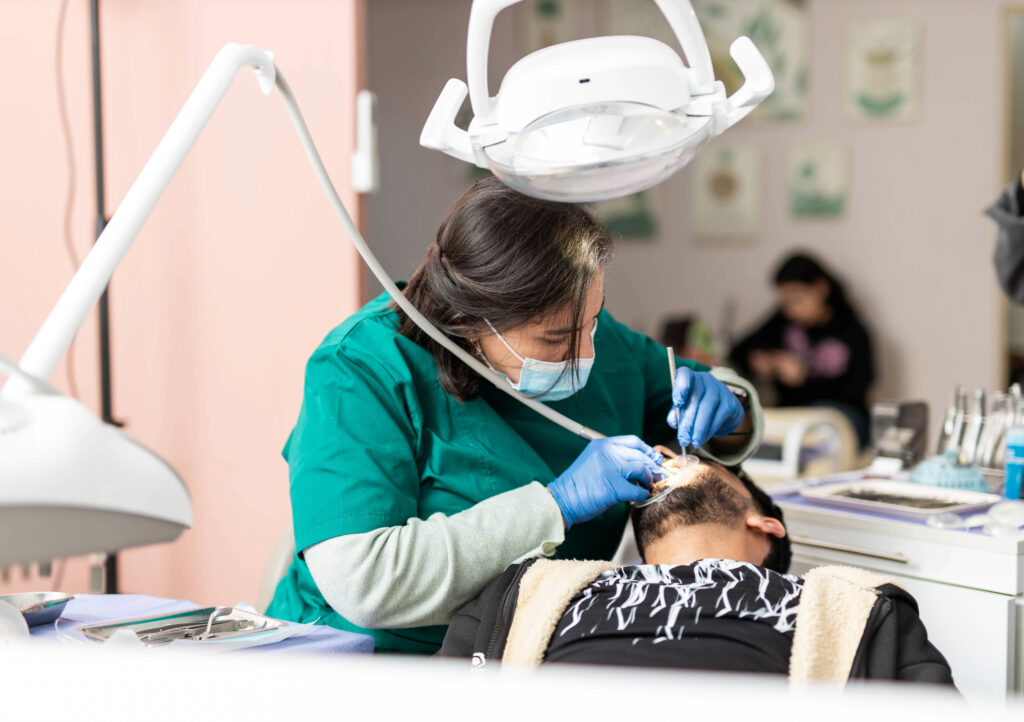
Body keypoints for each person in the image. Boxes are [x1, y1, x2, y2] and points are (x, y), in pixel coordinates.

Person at [266, 178, 762, 654]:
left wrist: (730, 404)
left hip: (528, 651)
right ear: (466, 318)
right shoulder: (359, 368)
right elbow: (365, 580)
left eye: (593, 319)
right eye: (553, 340)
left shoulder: (581, 329)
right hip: (378, 663)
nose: (585, 352)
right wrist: (557, 505)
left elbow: (700, 398)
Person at [441, 456, 954, 686]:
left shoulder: (853, 608)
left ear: (764, 524)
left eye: (711, 462)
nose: (676, 458)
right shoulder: (530, 590)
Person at [728, 252, 875, 446]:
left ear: (821, 289)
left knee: (819, 427)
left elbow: (856, 389)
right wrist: (760, 360)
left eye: (797, 299)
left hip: (839, 416)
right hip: (791, 416)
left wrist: (804, 380)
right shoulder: (783, 320)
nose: (790, 310)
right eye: (785, 302)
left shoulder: (852, 331)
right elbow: (738, 351)